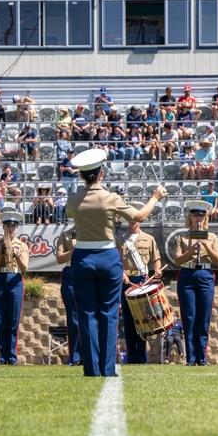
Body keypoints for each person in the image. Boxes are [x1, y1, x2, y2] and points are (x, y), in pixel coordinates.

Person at [66, 149, 166, 377]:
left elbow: (72, 214)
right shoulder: (111, 198)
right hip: (108, 257)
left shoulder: (73, 200)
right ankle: (107, 368)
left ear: (82, 175)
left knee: (86, 314)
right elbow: (139, 217)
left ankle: (91, 369)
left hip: (81, 257)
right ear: (101, 173)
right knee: (109, 313)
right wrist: (155, 197)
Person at [173, 200, 218, 366]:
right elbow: (177, 260)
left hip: (205, 274)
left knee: (204, 317)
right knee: (189, 317)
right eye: (195, 215)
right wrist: (191, 251)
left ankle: (202, 357)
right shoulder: (182, 236)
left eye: (201, 215)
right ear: (190, 217)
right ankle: (191, 358)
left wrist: (207, 247)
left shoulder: (212, 236)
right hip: (187, 274)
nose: (199, 218)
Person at [116, 210, 163, 365]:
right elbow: (116, 260)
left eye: (135, 218)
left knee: (142, 320)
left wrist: (157, 271)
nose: (133, 221)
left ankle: (141, 357)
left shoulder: (148, 239)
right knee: (128, 320)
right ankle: (131, 357)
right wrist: (121, 272)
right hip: (127, 281)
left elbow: (156, 259)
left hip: (143, 281)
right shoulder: (120, 239)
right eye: (130, 218)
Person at [0, 209, 30, 365]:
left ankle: (12, 356)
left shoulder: (22, 245)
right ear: (3, 227)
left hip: (15, 278)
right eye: (7, 225)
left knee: (13, 320)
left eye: (13, 225)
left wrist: (18, 256)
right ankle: (2, 356)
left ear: (17, 228)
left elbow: (25, 268)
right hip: (0, 277)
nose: (10, 229)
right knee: (0, 320)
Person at [55, 225, 80, 366]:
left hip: (88, 272)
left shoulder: (92, 231)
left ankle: (89, 354)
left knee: (89, 316)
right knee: (73, 317)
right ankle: (75, 356)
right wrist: (74, 252)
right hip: (71, 271)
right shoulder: (66, 235)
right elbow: (59, 258)